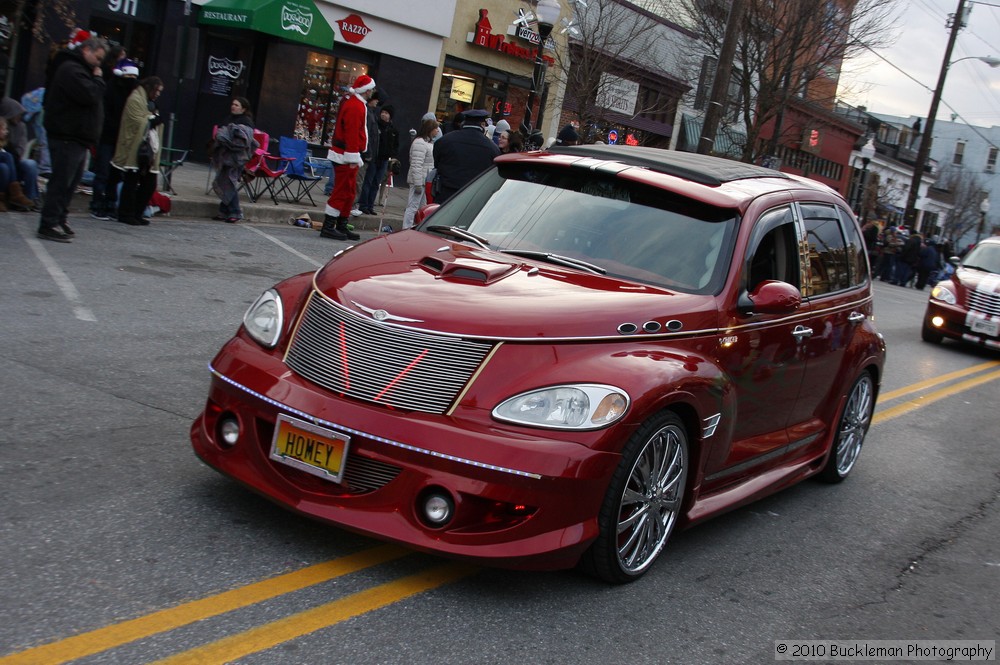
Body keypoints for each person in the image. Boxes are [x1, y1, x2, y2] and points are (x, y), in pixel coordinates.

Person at [36, 33, 108, 243]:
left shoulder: (79, 70)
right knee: (61, 182)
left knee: (71, 182)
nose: (99, 64)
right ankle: (48, 223)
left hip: (77, 136)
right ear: (86, 50)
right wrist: (98, 78)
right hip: (67, 135)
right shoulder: (72, 69)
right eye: (98, 58)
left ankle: (59, 218)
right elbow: (90, 95)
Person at [321, 74, 377, 241]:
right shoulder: (355, 106)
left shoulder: (357, 104)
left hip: (349, 155)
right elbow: (352, 133)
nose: (373, 91)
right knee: (342, 191)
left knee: (350, 192)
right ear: (366, 90)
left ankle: (341, 224)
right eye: (371, 88)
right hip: (346, 156)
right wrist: (353, 157)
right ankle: (329, 226)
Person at [110, 76, 164, 226]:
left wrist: (152, 119)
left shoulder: (149, 102)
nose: (158, 94)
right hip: (134, 147)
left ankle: (136, 212)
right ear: (151, 87)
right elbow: (135, 120)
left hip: (148, 147)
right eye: (157, 90)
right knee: (131, 180)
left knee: (149, 183)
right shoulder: (135, 99)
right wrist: (151, 120)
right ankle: (125, 213)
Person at [91, 55, 139, 220]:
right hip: (108, 136)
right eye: (129, 77)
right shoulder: (110, 90)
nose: (131, 81)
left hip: (122, 139)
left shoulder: (132, 93)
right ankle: (97, 204)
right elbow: (105, 113)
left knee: (115, 173)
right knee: (103, 172)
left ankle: (110, 204)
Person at [431, 108, 500, 204]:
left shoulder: (445, 140)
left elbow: (436, 162)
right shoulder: (492, 148)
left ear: (464, 122)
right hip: (473, 198)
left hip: (446, 193)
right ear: (482, 124)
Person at [210, 96, 255, 223]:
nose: (233, 106)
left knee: (229, 182)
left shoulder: (246, 121)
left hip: (237, 158)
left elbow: (244, 140)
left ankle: (235, 211)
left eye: (236, 105)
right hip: (225, 155)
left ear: (243, 108)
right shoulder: (228, 119)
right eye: (233, 104)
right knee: (224, 182)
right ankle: (224, 211)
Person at [0, 98, 41, 210]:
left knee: (30, 164)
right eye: (16, 114)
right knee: (4, 165)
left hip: (16, 159)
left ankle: (31, 197)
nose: (19, 116)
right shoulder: (2, 126)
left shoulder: (21, 127)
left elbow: (21, 148)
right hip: (6, 158)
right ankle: (14, 194)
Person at [357, 103, 398, 215]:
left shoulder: (392, 130)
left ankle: (370, 205)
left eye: (386, 113)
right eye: (383, 112)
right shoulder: (376, 125)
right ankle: (363, 204)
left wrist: (392, 156)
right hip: (374, 158)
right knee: (368, 181)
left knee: (376, 183)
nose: (384, 115)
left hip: (384, 159)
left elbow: (394, 145)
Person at [402, 116, 438, 230]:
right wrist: (417, 183)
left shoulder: (428, 143)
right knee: (412, 206)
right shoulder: (420, 143)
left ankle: (417, 227)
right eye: (436, 128)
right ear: (430, 129)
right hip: (419, 180)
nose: (437, 131)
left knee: (423, 207)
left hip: (424, 180)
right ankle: (406, 227)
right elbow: (416, 164)